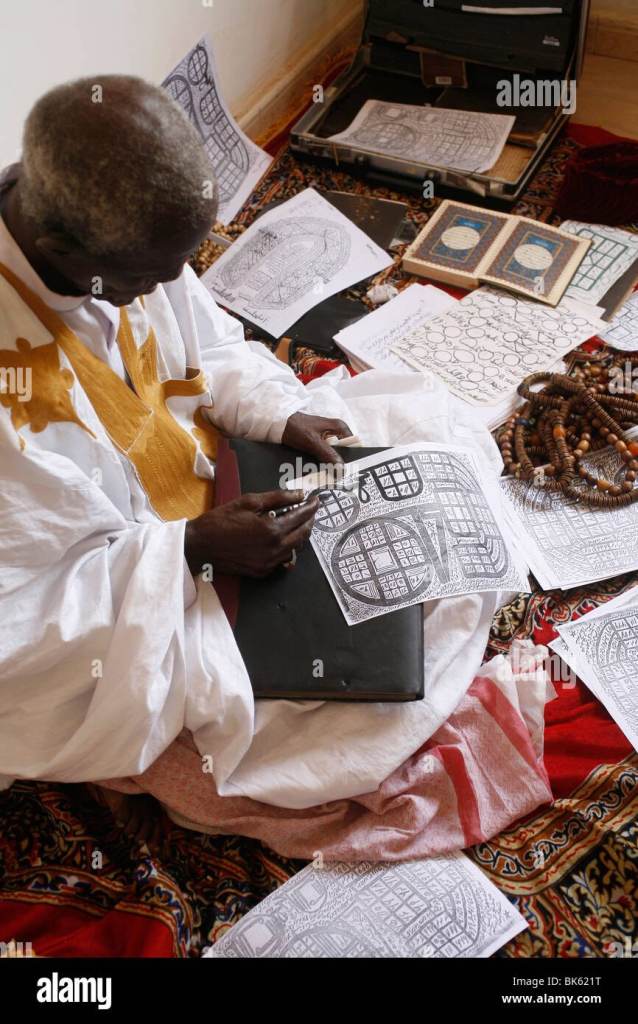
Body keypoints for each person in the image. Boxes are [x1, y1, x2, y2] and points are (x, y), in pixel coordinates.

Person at [0, 76, 550, 854]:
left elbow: (213, 345)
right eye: (145, 278)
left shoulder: (110, 231)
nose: (167, 287)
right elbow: (22, 618)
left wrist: (276, 416)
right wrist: (191, 550)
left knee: (428, 432)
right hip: (133, 594)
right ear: (61, 251)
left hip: (223, 485)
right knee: (325, 728)